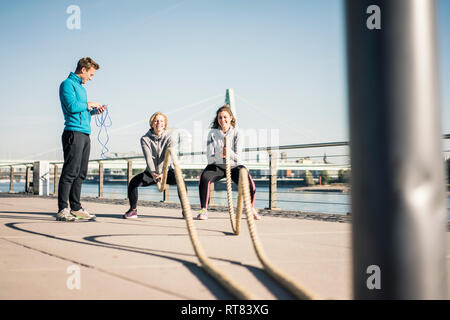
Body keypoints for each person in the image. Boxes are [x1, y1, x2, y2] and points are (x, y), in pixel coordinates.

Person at [56, 57, 106, 222]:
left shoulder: (81, 88)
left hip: (85, 134)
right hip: (73, 133)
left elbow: (81, 110)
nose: (91, 78)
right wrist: (88, 104)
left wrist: (94, 112)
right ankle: (63, 209)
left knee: (81, 173)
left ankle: (76, 208)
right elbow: (71, 107)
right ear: (83, 70)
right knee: (70, 172)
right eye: (91, 74)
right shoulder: (67, 84)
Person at [196, 105, 261, 221]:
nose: (222, 120)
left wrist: (228, 152)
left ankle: (250, 208)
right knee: (204, 177)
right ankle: (204, 210)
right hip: (216, 165)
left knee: (249, 182)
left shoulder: (237, 133)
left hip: (234, 166)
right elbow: (210, 159)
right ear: (217, 120)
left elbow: (238, 158)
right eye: (220, 118)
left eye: (225, 117)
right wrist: (220, 153)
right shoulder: (212, 133)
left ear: (231, 118)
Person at [123, 112, 187, 219]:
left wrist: (163, 173)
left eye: (162, 121)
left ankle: (185, 210)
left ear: (165, 124)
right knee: (133, 183)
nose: (159, 123)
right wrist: (153, 173)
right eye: (156, 121)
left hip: (166, 172)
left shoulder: (170, 138)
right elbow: (148, 157)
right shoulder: (145, 139)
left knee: (181, 181)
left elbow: (170, 156)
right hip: (151, 173)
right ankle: (133, 210)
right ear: (152, 123)